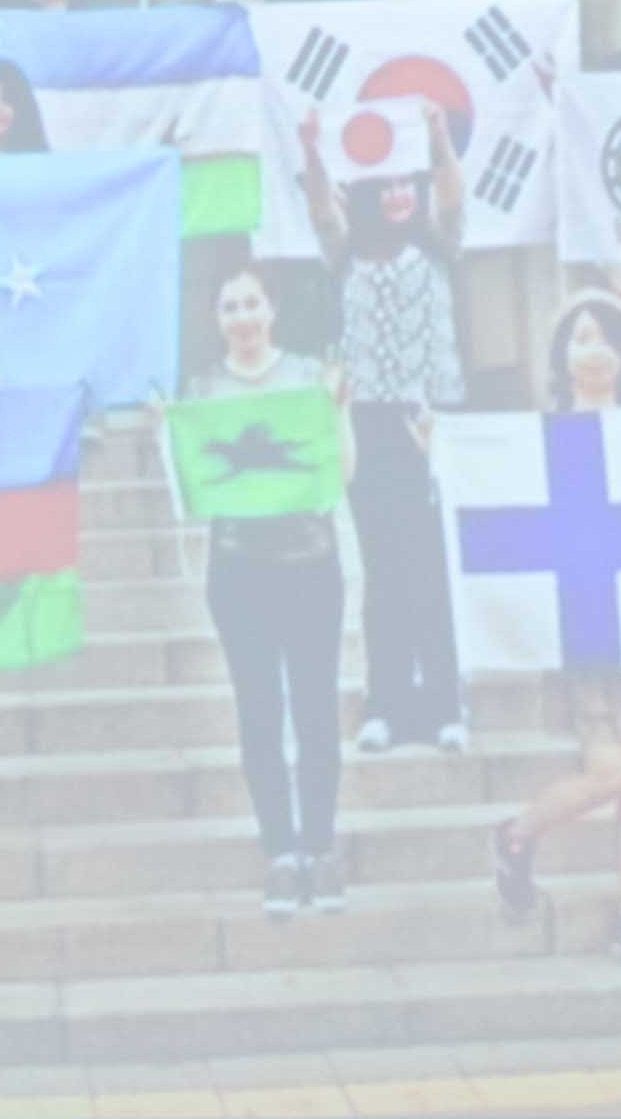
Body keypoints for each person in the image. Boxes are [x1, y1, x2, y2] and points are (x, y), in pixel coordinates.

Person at [490, 295, 621, 974]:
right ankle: (516, 835)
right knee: (610, 771)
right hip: (588, 623)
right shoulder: (545, 436)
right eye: (581, 337)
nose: (596, 349)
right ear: (563, 357)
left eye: (608, 337)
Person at [185, 254, 349, 912]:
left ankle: (320, 847)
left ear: (272, 310)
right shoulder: (202, 389)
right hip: (238, 570)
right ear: (216, 318)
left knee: (315, 711)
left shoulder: (309, 376)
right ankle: (279, 850)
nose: (243, 317)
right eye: (230, 307)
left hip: (310, 563)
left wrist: (338, 411)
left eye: (252, 303)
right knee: (258, 712)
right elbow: (192, 482)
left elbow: (341, 469)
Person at [322, 144, 470, 760]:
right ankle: (384, 704)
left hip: (430, 419)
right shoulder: (346, 252)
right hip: (369, 424)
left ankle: (445, 705)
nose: (397, 195)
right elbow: (321, 213)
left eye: (405, 183)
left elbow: (452, 194)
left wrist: (435, 135)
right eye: (383, 186)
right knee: (383, 567)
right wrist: (310, 148)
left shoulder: (439, 244)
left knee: (432, 565)